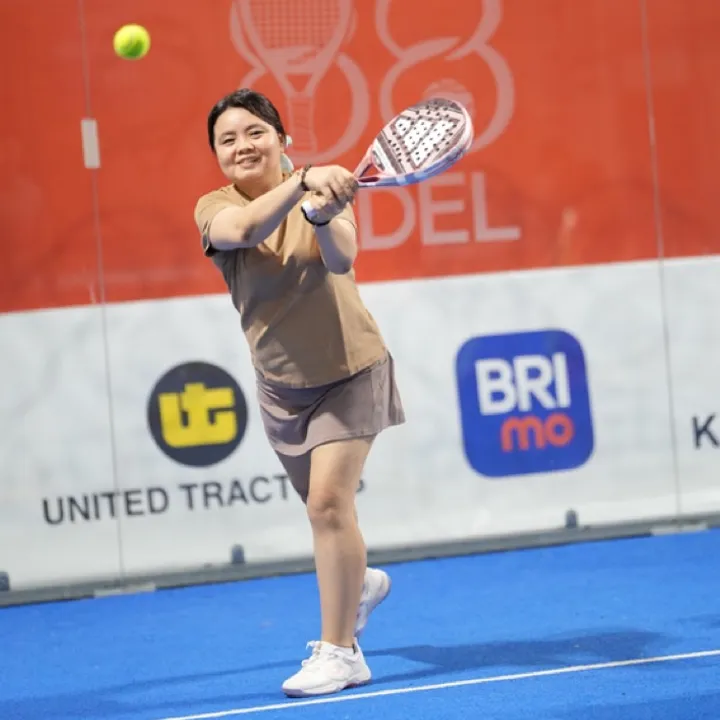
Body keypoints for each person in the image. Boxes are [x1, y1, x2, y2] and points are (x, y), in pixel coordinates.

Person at [193, 88, 406, 697]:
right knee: (329, 516)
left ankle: (342, 653)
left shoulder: (324, 192)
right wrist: (303, 180)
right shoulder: (215, 206)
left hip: (351, 371)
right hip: (282, 388)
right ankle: (357, 583)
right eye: (228, 139)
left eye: (255, 132)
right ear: (217, 155)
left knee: (327, 507)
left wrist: (320, 213)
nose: (242, 146)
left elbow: (342, 258)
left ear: (281, 139)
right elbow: (243, 229)